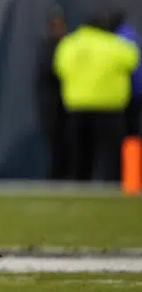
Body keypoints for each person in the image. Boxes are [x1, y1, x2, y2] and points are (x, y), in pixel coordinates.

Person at [54, 12, 140, 181]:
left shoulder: (69, 44)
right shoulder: (115, 44)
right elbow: (133, 60)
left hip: (77, 106)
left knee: (81, 154)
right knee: (111, 154)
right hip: (110, 107)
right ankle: (113, 185)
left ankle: (79, 186)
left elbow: (60, 68)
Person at [38, 7, 71, 179]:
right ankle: (56, 178)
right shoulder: (47, 47)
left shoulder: (68, 45)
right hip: (52, 105)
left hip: (68, 104)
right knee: (56, 145)